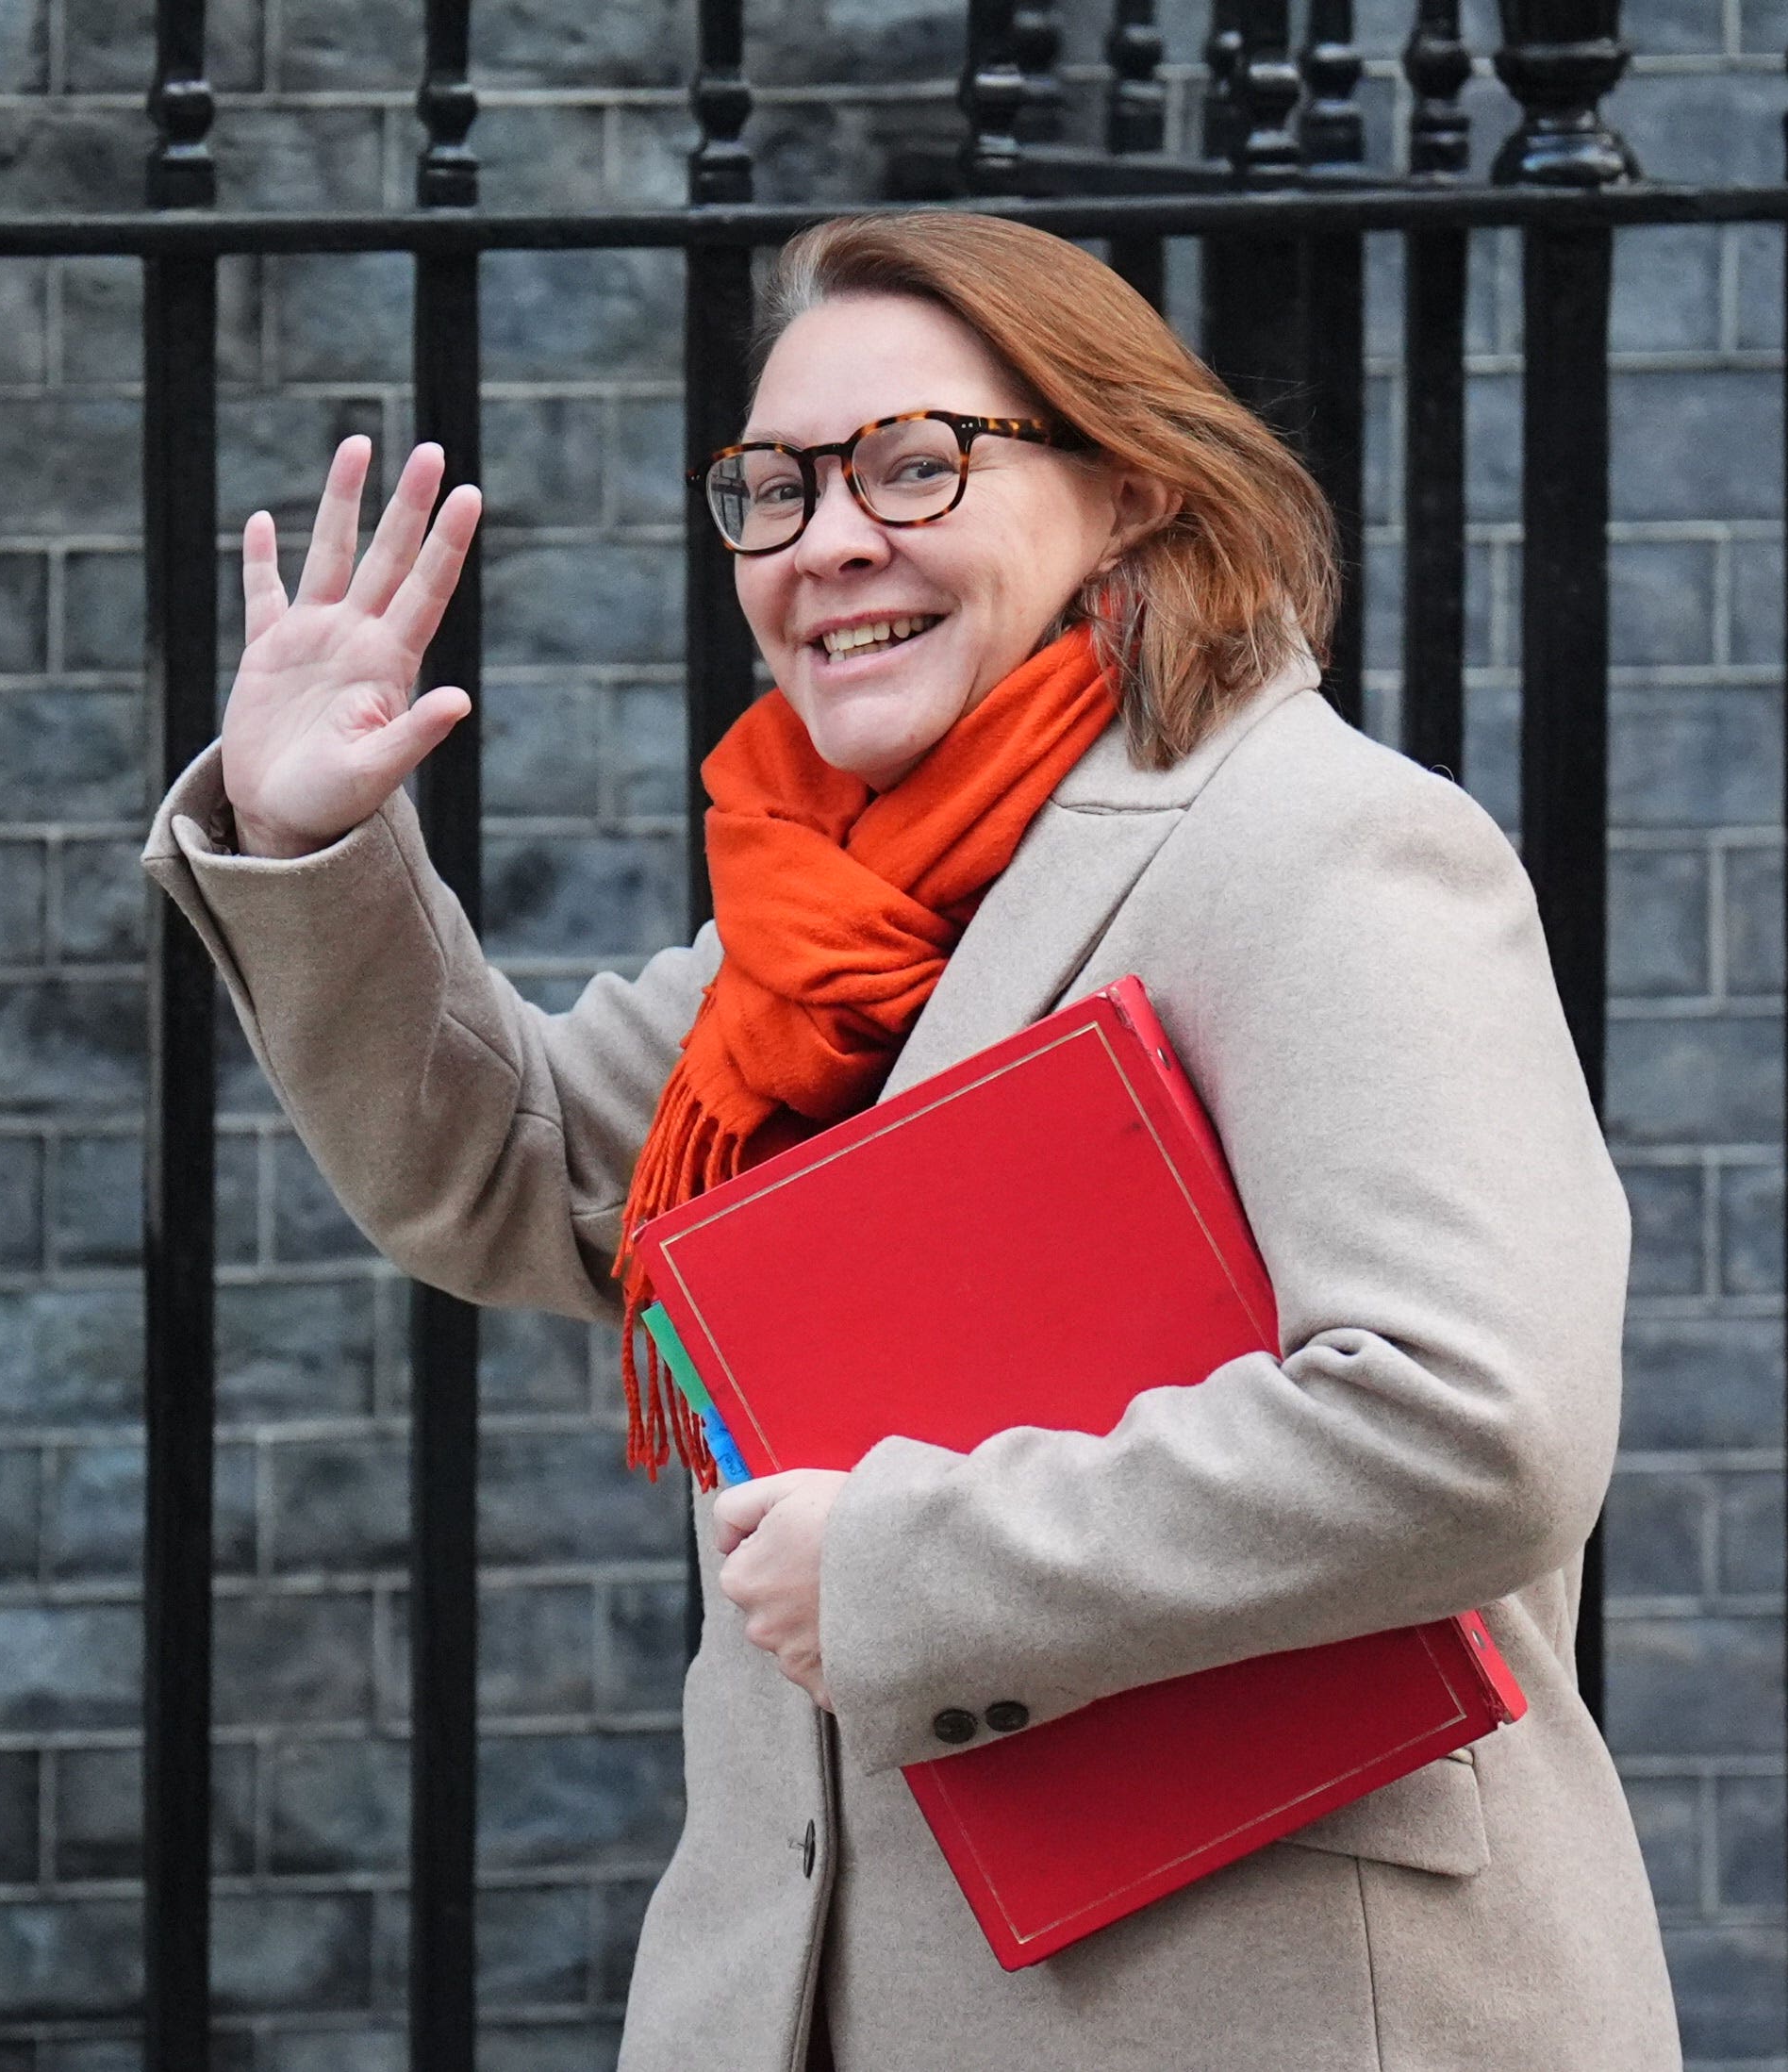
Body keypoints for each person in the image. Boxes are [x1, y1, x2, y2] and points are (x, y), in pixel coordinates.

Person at [143, 212, 1681, 2072]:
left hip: (1250, 2004)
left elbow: (1469, 1429)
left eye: (912, 462)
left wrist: (894, 1569)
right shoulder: (836, 919)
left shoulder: (1322, 850)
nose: (830, 540)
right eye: (773, 489)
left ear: (1123, 491)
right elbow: (518, 1166)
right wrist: (315, 843)